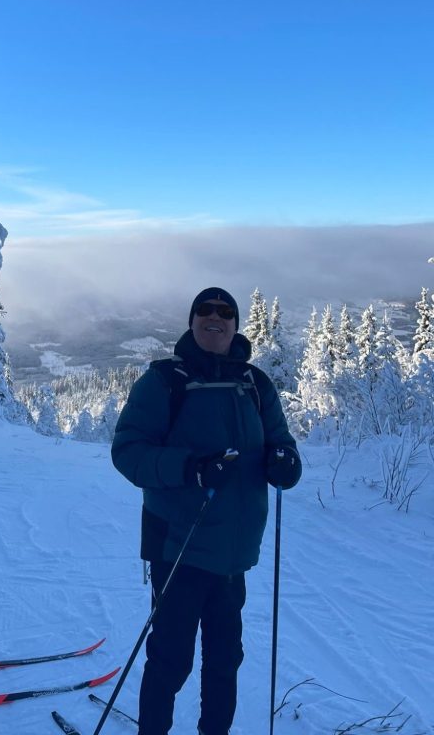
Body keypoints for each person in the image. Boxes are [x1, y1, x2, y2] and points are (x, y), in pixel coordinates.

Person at [111, 288, 301, 735]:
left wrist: (286, 463)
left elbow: (282, 443)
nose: (214, 318)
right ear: (192, 320)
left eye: (225, 312)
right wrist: (192, 470)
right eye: (205, 311)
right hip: (177, 546)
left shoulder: (256, 384)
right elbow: (128, 451)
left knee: (224, 662)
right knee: (170, 659)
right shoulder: (165, 381)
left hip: (233, 556)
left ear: (236, 325)